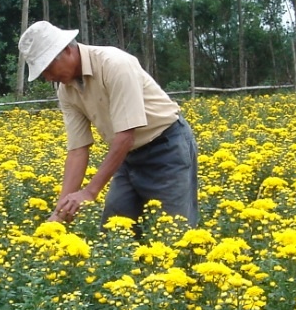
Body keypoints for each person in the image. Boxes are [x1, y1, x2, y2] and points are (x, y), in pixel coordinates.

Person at [18, 20, 198, 227]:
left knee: (173, 230)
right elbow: (78, 149)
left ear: (66, 50)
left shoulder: (115, 64)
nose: (49, 78)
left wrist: (90, 191)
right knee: (115, 230)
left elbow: (126, 135)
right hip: (128, 157)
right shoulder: (65, 90)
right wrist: (60, 212)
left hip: (167, 148)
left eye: (48, 68)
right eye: (43, 74)